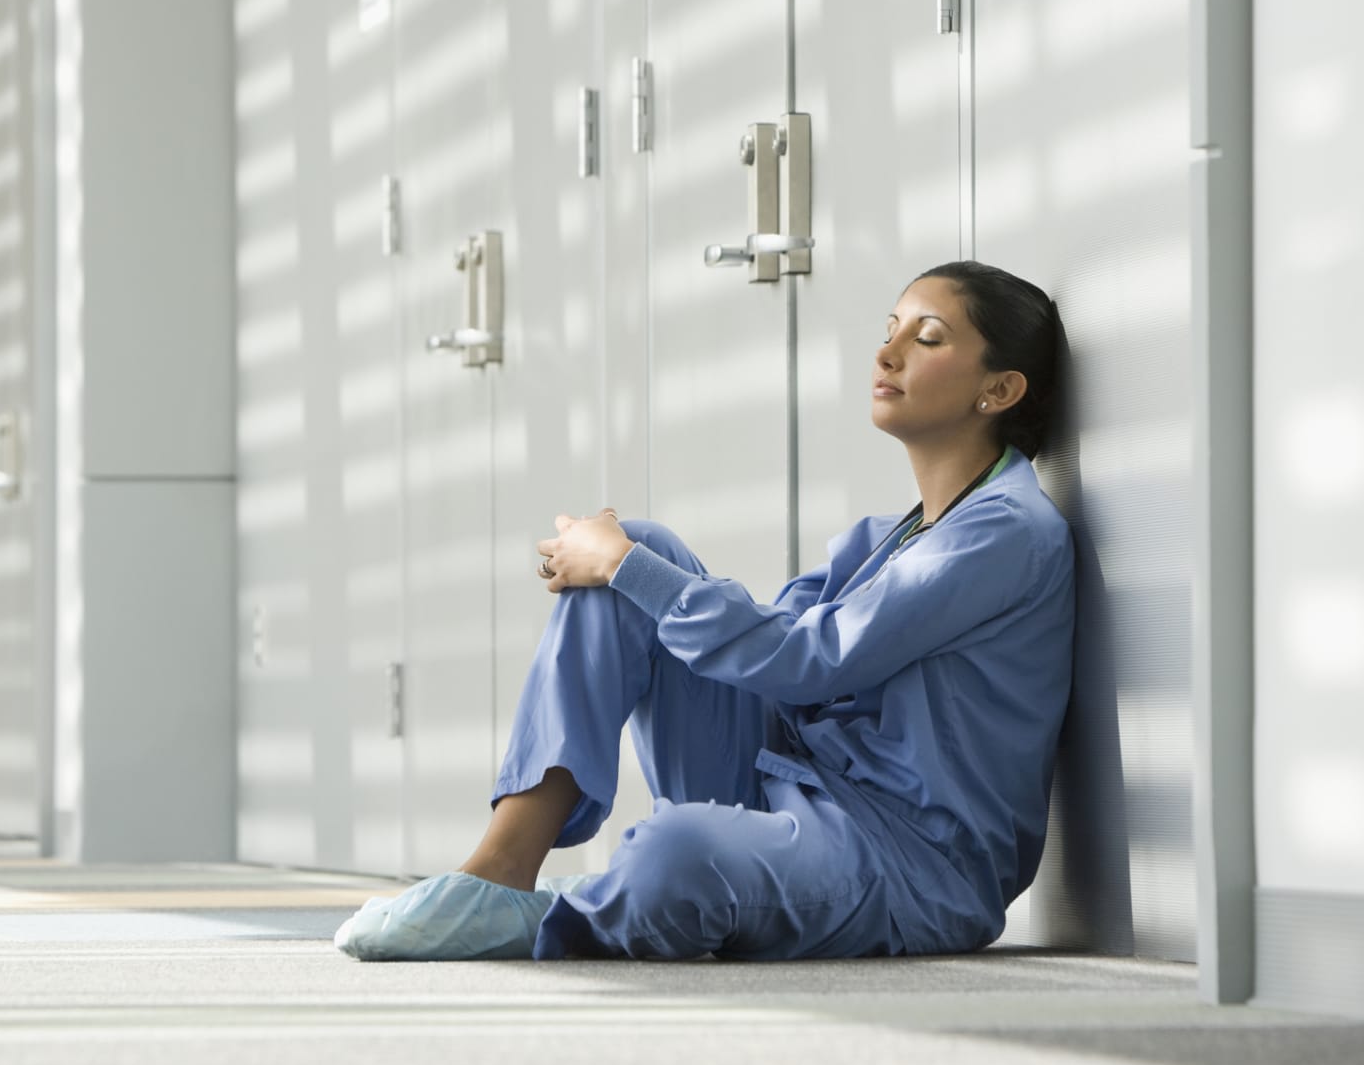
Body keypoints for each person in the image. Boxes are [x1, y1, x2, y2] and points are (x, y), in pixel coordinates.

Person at [336, 260, 1075, 961]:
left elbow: (808, 658)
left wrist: (625, 565)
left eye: (928, 338)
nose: (887, 353)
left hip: (907, 862)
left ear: (999, 391)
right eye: (890, 327)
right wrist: (629, 567)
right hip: (796, 783)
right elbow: (776, 639)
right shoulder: (893, 534)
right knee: (640, 558)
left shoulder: (1006, 531)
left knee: (673, 852)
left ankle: (584, 904)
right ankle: (501, 868)